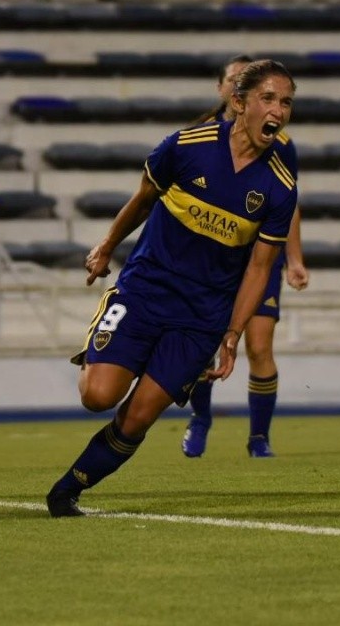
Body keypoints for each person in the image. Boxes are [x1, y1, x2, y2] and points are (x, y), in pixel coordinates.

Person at [46, 59, 299, 517]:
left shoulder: (280, 185)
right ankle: (114, 346)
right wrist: (105, 247)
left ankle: (67, 491)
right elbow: (143, 199)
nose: (278, 109)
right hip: (145, 292)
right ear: (238, 103)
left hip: (201, 317)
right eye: (268, 98)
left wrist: (232, 334)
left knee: (138, 417)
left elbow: (260, 268)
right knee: (97, 396)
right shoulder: (186, 145)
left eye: (286, 102)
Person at [182, 55, 309, 459]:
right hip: (213, 261)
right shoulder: (199, 138)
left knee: (259, 346)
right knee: (202, 347)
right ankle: (201, 417)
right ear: (226, 92)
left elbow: (288, 203)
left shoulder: (280, 145)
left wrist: (295, 259)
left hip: (259, 258)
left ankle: (259, 438)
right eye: (234, 80)